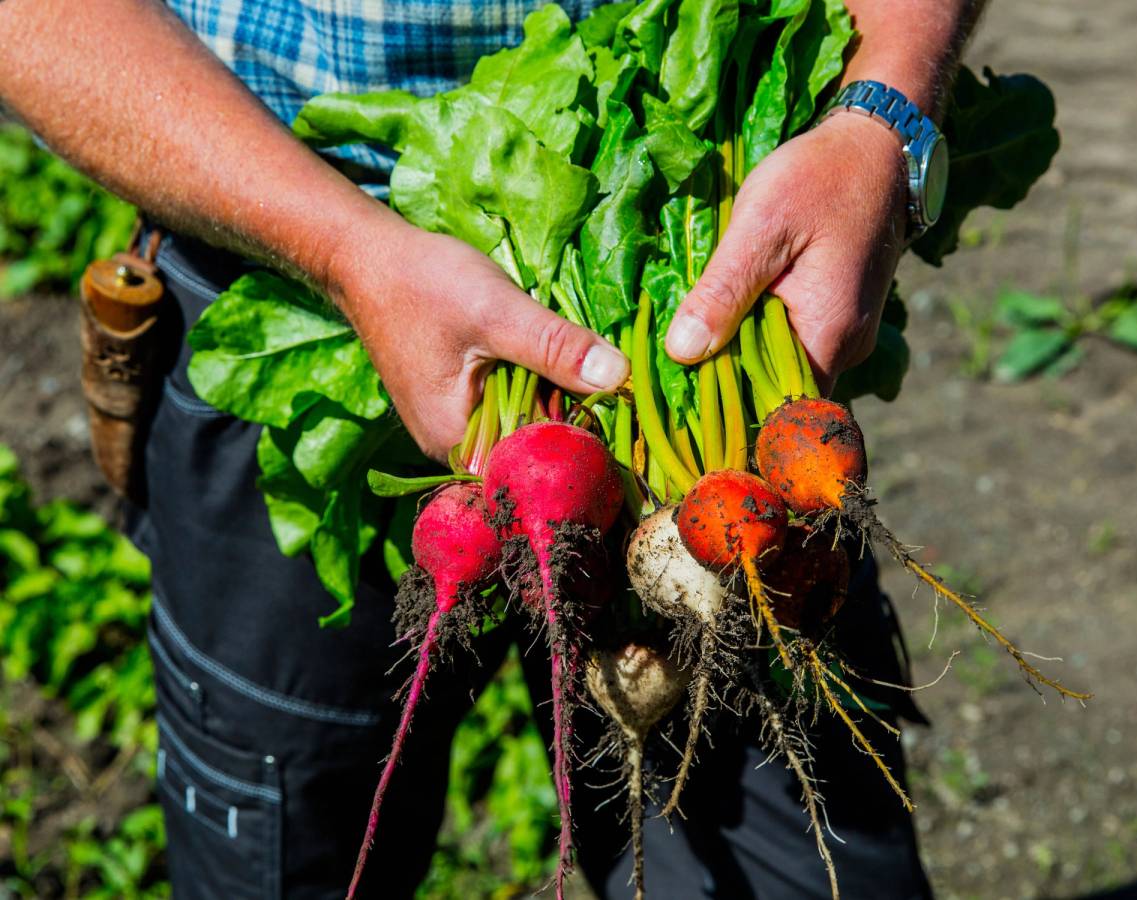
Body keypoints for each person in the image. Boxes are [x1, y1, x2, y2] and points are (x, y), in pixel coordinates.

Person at [0, 1, 981, 897]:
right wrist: (347, 254)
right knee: (288, 855)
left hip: (727, 340)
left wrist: (879, 116)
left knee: (808, 855)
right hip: (277, 243)